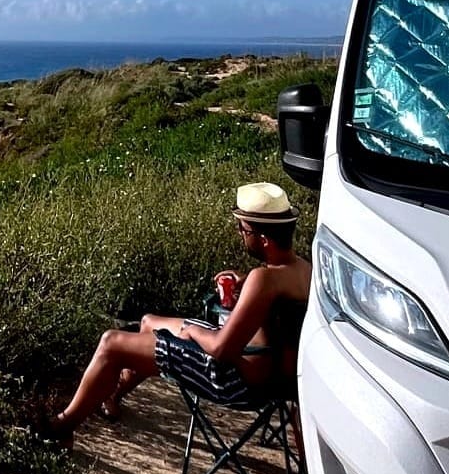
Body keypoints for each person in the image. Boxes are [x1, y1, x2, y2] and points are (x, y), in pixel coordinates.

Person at [40, 182, 311, 441]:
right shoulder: (304, 270)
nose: (240, 233)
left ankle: (63, 425)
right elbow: (272, 311)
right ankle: (112, 394)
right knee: (148, 322)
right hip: (275, 380)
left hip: (235, 381)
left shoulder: (263, 280)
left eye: (244, 229)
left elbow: (220, 349)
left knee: (111, 342)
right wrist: (245, 283)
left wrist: (194, 331)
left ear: (263, 239)